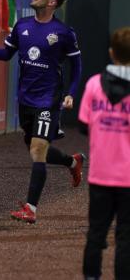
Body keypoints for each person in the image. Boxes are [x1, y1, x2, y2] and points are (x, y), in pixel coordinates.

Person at [0, 0, 84, 224]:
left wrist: (71, 93)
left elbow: (77, 66)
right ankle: (72, 161)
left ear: (52, 2)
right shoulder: (22, 25)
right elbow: (6, 54)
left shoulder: (64, 33)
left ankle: (31, 209)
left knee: (37, 151)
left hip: (49, 99)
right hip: (25, 100)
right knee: (36, 149)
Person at [79, 27, 130, 280]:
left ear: (111, 53)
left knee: (96, 233)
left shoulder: (93, 84)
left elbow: (83, 125)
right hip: (128, 178)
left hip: (100, 174)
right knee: (126, 238)